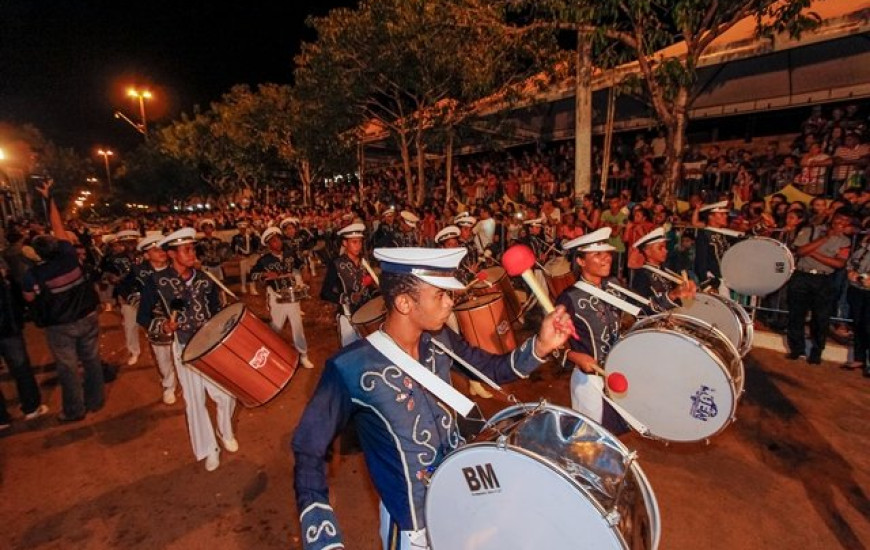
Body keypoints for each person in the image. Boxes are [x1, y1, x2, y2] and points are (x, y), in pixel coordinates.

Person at [292, 246, 572, 550]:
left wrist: (541, 346)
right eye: (440, 295)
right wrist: (323, 538)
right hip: (414, 528)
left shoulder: (439, 341)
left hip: (464, 501)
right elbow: (308, 448)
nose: (450, 303)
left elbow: (492, 369)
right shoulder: (350, 367)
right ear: (404, 303)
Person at [138, 227, 237, 471]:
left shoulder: (205, 279)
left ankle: (224, 431)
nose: (192, 253)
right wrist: (163, 325)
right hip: (184, 347)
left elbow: (215, 310)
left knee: (226, 394)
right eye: (186, 249)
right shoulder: (157, 282)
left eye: (192, 248)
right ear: (171, 254)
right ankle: (208, 448)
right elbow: (143, 316)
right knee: (195, 401)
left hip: (210, 346)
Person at [23, 180, 104, 423]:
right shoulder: (69, 256)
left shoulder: (34, 274)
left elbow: (29, 298)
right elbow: (58, 226)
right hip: (87, 317)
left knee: (68, 368)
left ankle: (74, 410)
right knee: (91, 360)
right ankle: (96, 400)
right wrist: (49, 198)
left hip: (60, 326)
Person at [555, 227, 634, 433]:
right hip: (590, 383)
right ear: (580, 261)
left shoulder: (614, 286)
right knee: (590, 439)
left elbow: (640, 308)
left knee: (616, 434)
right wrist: (574, 355)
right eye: (597, 254)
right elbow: (551, 345)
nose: (606, 258)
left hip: (617, 373)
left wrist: (674, 295)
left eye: (606, 253)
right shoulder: (569, 298)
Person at [785, 209, 853, 364]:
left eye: (844, 222)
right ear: (832, 219)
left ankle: (816, 352)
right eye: (838, 220)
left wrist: (813, 253)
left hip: (824, 279)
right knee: (796, 314)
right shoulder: (811, 230)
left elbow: (838, 263)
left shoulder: (845, 241)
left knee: (820, 318)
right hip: (802, 275)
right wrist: (824, 239)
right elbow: (801, 251)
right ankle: (797, 349)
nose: (840, 225)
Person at [123, 231, 178, 405]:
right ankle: (169, 386)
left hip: (178, 319)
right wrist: (137, 301)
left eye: (162, 248)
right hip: (156, 320)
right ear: (147, 255)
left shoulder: (176, 268)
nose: (161, 252)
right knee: (163, 357)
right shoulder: (139, 271)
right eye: (155, 250)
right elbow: (124, 287)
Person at [249, 226, 315, 370]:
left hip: (291, 295)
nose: (277, 243)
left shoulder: (290, 253)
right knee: (276, 327)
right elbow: (252, 274)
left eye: (278, 239)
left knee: (297, 325)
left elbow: (301, 263)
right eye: (273, 241)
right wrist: (265, 275)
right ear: (268, 245)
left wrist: (305, 270)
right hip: (276, 296)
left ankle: (303, 355)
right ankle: (272, 352)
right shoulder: (264, 260)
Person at [0, 257, 49, 430]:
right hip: (8, 330)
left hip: (9, 329)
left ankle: (2, 419)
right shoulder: (4, 278)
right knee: (21, 370)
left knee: (21, 370)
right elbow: (17, 299)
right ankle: (31, 407)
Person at [320, 223, 378, 346]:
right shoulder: (336, 264)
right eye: (354, 242)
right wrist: (347, 298)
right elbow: (325, 293)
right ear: (345, 243)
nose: (358, 246)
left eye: (360, 242)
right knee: (349, 352)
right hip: (348, 316)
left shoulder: (364, 262)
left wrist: (375, 291)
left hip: (367, 315)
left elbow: (369, 286)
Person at [630, 227, 697, 314]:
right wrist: (673, 295)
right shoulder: (642, 276)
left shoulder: (666, 272)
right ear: (647, 251)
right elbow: (643, 309)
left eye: (665, 247)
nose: (665, 251)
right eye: (660, 248)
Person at [844, 231, 870, 376]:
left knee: (868, 326)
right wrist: (851, 272)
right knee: (858, 324)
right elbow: (851, 263)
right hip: (858, 290)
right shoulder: (864, 248)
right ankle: (859, 358)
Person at [231, 220, 260, 295]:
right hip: (242, 257)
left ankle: (252, 287)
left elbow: (256, 245)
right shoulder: (235, 237)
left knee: (251, 272)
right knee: (243, 272)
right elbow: (233, 247)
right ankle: (243, 286)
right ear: (239, 229)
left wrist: (254, 235)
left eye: (244, 229)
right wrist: (236, 255)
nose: (243, 230)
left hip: (251, 257)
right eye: (241, 229)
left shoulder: (250, 237)